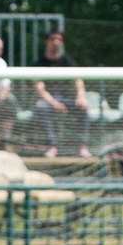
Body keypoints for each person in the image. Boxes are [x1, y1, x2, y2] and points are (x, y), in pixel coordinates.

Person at [33, 30, 91, 158]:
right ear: (46, 42)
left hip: (66, 100)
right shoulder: (39, 64)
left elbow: (78, 80)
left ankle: (83, 147)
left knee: (83, 108)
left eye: (59, 39)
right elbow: (39, 89)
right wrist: (54, 104)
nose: (56, 42)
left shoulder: (67, 61)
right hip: (48, 102)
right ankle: (52, 147)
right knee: (41, 108)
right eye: (53, 39)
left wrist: (81, 97)